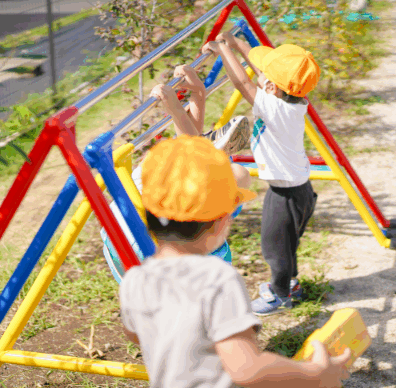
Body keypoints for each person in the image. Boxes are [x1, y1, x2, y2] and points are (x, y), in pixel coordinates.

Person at [119, 135, 351, 388]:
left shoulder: (135, 278)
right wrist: (315, 373)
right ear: (221, 220)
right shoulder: (216, 277)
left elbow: (135, 334)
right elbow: (246, 369)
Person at [202, 33, 319, 316]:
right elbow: (259, 70)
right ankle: (290, 284)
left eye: (266, 78)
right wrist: (236, 43)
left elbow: (243, 82)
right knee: (287, 243)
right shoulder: (293, 101)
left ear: (271, 88)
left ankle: (279, 295)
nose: (261, 77)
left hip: (285, 195)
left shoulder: (275, 108)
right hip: (300, 191)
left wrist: (222, 49)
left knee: (274, 246)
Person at [100, 65, 251, 283]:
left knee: (210, 171)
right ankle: (206, 150)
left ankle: (207, 151)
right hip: (137, 242)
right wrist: (197, 96)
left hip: (138, 239)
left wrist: (180, 107)